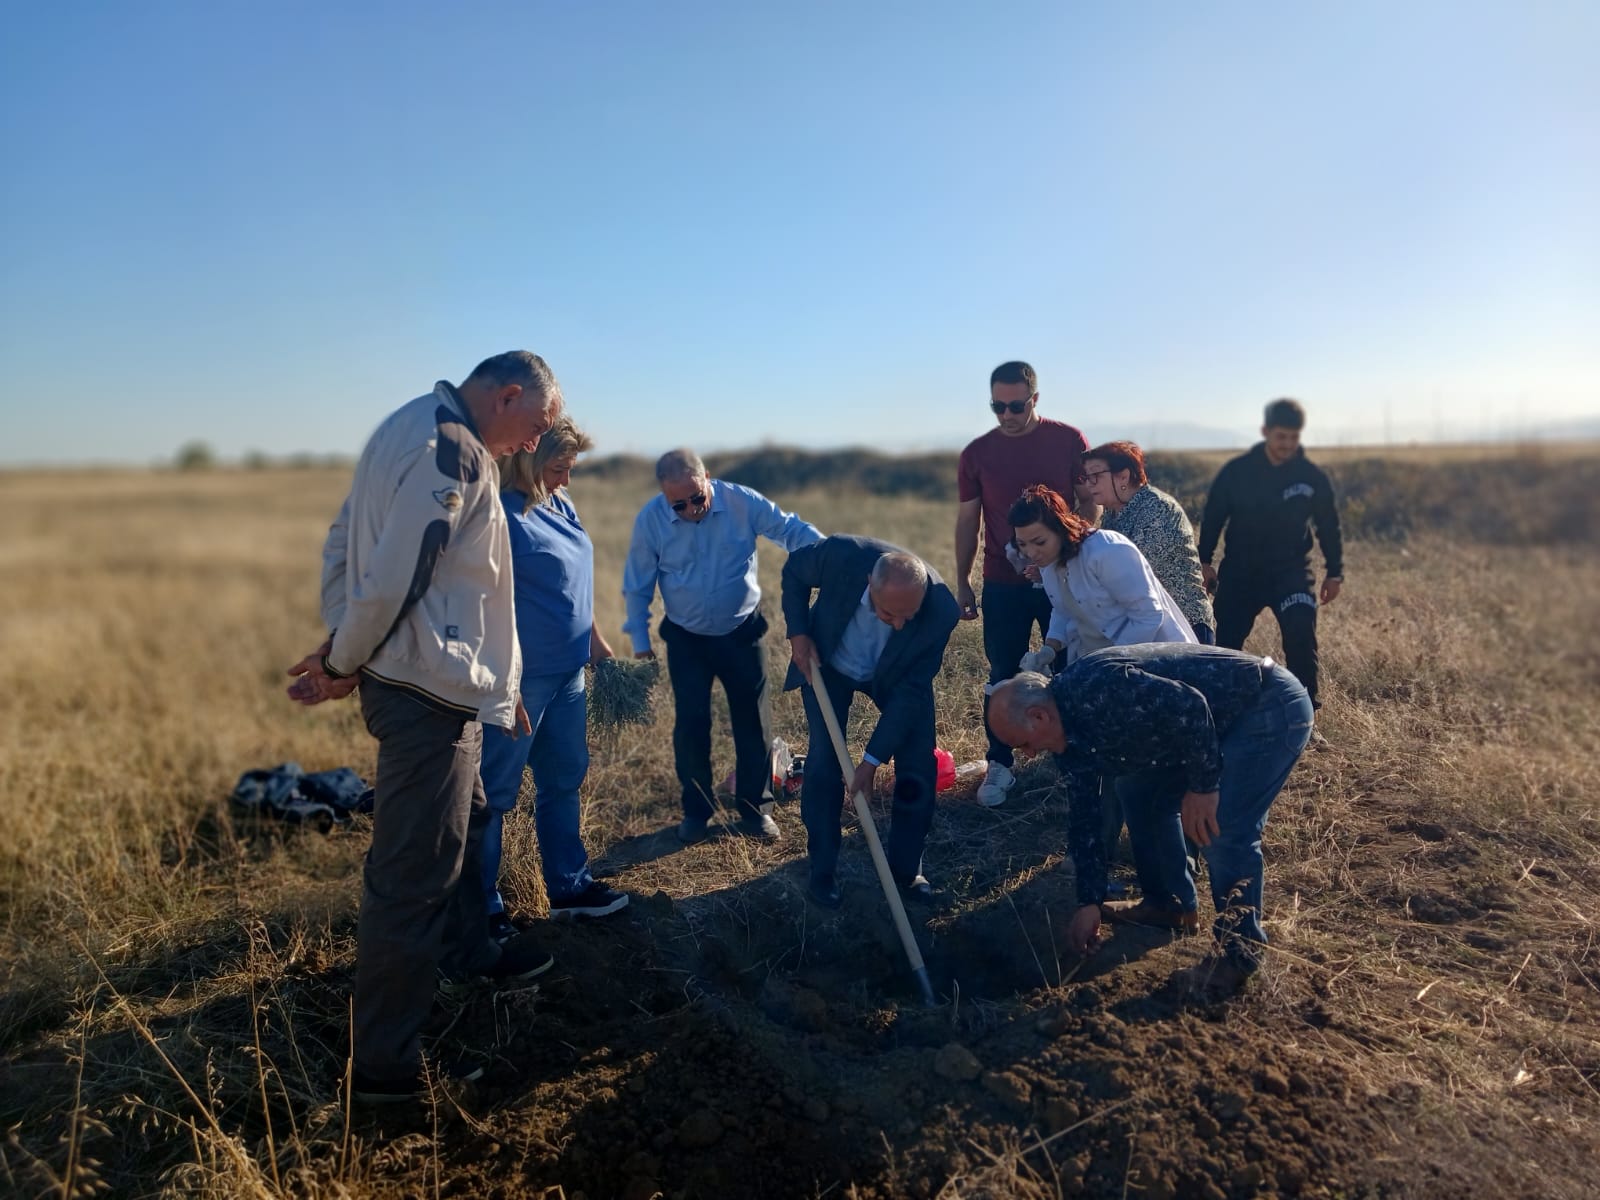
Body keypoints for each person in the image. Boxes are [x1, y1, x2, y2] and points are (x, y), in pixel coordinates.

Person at [286, 351, 564, 1104]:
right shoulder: (456, 451)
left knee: (468, 820)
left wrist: (346, 636)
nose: (531, 444)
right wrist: (344, 656)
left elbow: (345, 541)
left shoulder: (402, 425)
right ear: (507, 396)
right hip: (425, 694)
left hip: (437, 683)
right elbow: (402, 569)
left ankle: (471, 950)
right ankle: (385, 1074)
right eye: (534, 426)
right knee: (412, 878)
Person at [987, 645, 1314, 996]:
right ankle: (1169, 904)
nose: (1029, 754)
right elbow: (1086, 820)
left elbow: (1189, 704)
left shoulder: (1099, 688)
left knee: (1224, 828)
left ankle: (1238, 956)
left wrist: (1203, 786)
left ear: (1038, 717)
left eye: (1023, 744)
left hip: (1266, 705)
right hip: (1214, 721)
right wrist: (1089, 901)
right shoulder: (1069, 741)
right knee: (1138, 790)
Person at [479, 415, 628, 943]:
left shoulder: (559, 503)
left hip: (568, 675)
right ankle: (483, 910)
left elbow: (572, 583)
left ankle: (569, 888)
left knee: (563, 781)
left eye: (570, 469)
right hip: (519, 682)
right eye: (558, 468)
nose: (566, 480)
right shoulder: (497, 518)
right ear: (527, 459)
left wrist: (596, 641)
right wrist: (504, 682)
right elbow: (481, 607)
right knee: (494, 795)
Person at [623, 448, 822, 842]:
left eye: (698, 498)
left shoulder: (741, 502)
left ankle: (754, 810)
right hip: (686, 638)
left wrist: (833, 556)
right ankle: (696, 813)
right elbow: (637, 583)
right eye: (679, 504)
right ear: (664, 495)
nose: (692, 509)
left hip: (741, 634)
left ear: (708, 478)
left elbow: (790, 529)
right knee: (692, 726)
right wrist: (640, 641)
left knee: (753, 723)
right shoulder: (651, 520)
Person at [781, 536, 960, 908]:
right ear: (868, 584)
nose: (897, 625)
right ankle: (823, 870)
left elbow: (912, 693)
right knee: (825, 763)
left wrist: (872, 760)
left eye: (907, 617)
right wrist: (799, 634)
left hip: (897, 677)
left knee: (918, 767)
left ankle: (906, 871)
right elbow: (793, 573)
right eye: (887, 613)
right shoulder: (840, 556)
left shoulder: (941, 609)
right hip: (828, 666)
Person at [955, 361, 1100, 809]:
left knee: (1071, 668)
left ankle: (1074, 760)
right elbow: (968, 521)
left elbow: (1089, 505)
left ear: (1035, 399)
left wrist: (1067, 557)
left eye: (1016, 406)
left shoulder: (1068, 440)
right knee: (1003, 674)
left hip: (1062, 577)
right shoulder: (976, 453)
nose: (1007, 415)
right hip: (1003, 583)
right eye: (997, 406)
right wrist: (962, 581)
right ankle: (1000, 764)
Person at [1197, 398, 1344, 709]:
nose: (1287, 444)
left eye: (1293, 437)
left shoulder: (1310, 476)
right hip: (1241, 571)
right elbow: (1213, 517)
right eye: (1281, 437)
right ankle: (1220, 709)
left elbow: (1328, 525)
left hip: (1290, 573)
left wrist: (1335, 571)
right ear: (1265, 431)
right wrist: (1205, 559)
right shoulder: (1236, 472)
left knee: (1301, 633)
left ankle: (1305, 715)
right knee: (1227, 644)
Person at [1005, 485, 1196, 684]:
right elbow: (1065, 609)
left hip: (1155, 664)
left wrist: (1110, 661)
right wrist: (1049, 649)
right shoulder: (1049, 561)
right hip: (1100, 666)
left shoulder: (1106, 551)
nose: (1032, 553)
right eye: (1023, 544)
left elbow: (1149, 615)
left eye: (1039, 542)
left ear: (1060, 527)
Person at [1080, 440, 1216, 643]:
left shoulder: (1157, 508)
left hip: (1185, 627)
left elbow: (1131, 571)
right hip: (1146, 627)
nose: (1089, 484)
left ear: (1123, 476)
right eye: (1086, 477)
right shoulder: (1111, 514)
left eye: (1096, 476)